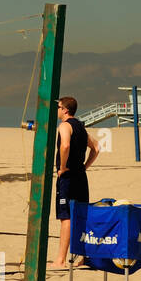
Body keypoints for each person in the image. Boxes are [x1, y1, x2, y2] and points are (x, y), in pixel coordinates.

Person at [53, 96, 100, 268]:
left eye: (58, 107)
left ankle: (61, 260)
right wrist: (85, 166)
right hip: (81, 176)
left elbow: (64, 146)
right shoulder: (80, 126)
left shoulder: (65, 125)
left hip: (69, 177)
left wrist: (62, 167)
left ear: (65, 110)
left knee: (66, 217)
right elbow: (96, 147)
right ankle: (84, 257)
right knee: (81, 215)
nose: (57, 110)